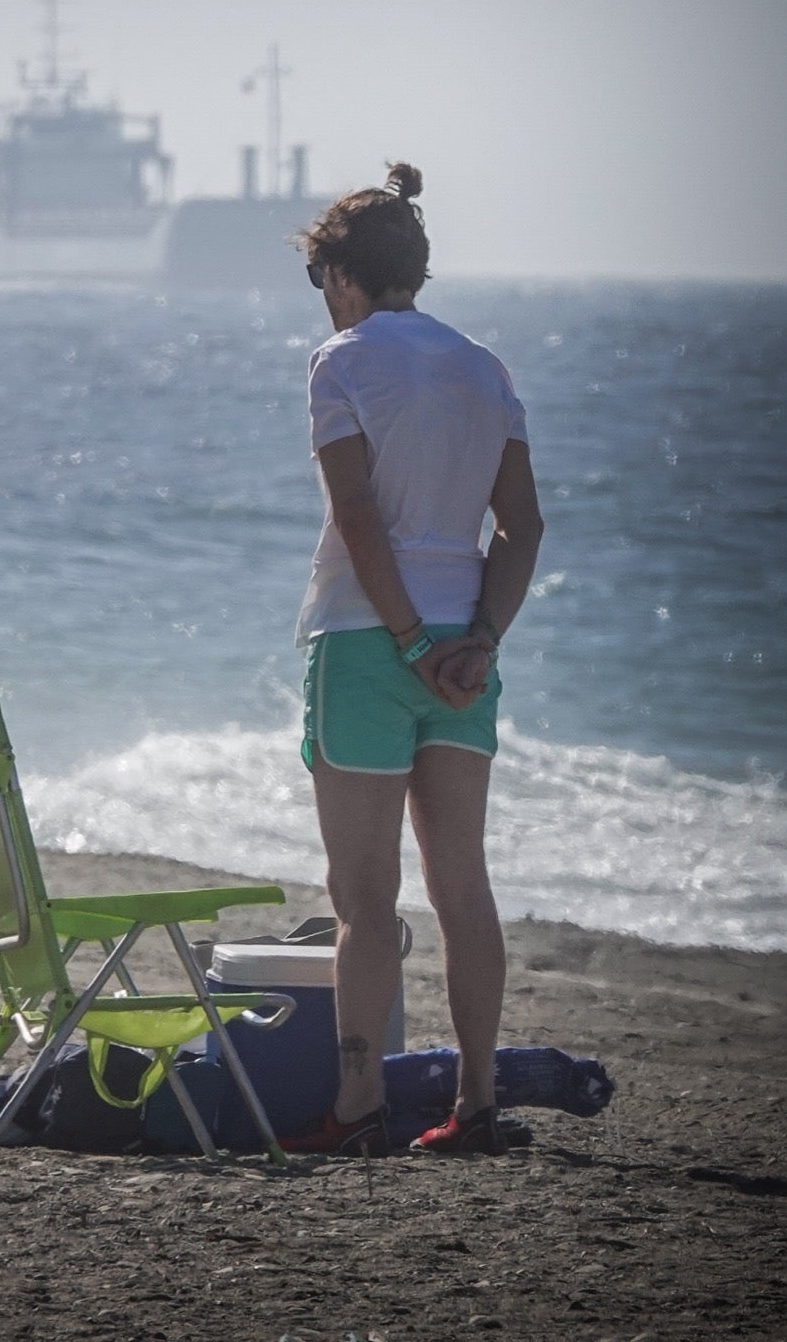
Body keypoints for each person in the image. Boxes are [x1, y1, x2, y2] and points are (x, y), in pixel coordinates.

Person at [286, 162, 544, 1157]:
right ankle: (475, 1103)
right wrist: (478, 641)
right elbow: (519, 527)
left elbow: (357, 517)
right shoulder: (485, 367)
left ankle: (356, 1108)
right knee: (461, 886)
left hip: (366, 644)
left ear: (342, 275)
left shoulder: (340, 359)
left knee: (362, 898)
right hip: (465, 661)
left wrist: (407, 641)